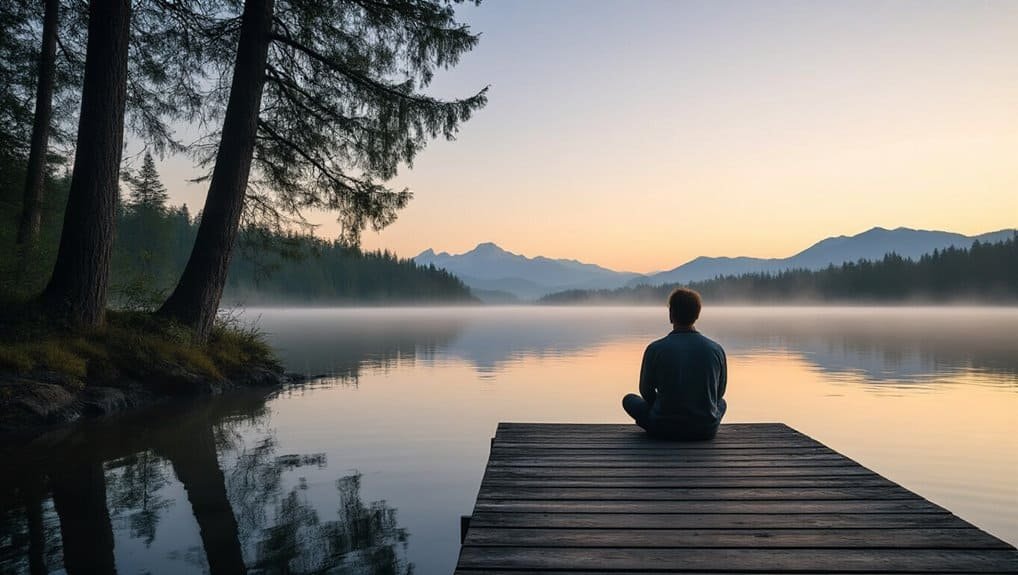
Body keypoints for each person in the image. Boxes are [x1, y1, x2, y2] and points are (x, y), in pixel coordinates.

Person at [622, 288, 727, 440]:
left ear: (671, 314)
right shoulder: (716, 349)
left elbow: (646, 391)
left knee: (629, 400)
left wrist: (663, 406)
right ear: (697, 315)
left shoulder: (655, 349)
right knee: (722, 403)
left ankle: (661, 419)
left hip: (663, 427)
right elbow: (719, 393)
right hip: (705, 429)